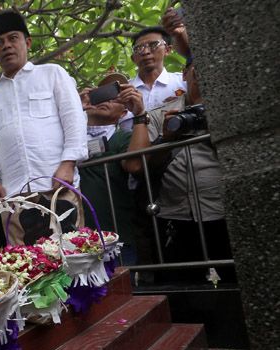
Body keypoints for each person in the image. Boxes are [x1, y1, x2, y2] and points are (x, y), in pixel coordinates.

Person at [0, 11, 87, 243]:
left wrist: (68, 165)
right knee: (26, 267)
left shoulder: (53, 74)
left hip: (58, 186)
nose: (6, 46)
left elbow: (74, 120)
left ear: (27, 42)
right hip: (14, 195)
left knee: (72, 256)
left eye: (13, 38)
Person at [124, 58, 232, 283]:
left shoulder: (231, 111)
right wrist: (167, 139)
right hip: (176, 216)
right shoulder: (162, 114)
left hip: (224, 211)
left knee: (239, 282)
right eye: (196, 71)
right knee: (183, 290)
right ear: (185, 73)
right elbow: (136, 166)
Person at [78, 76, 145, 264]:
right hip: (75, 240)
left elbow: (135, 165)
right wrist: (73, 109)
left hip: (115, 238)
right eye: (101, 95)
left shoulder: (122, 137)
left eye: (115, 98)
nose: (106, 100)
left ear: (124, 113)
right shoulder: (67, 136)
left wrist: (140, 114)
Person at [129, 26, 187, 110]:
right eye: (138, 48)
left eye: (153, 45)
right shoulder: (123, 92)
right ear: (133, 58)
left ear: (167, 50)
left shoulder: (184, 82)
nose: (146, 52)